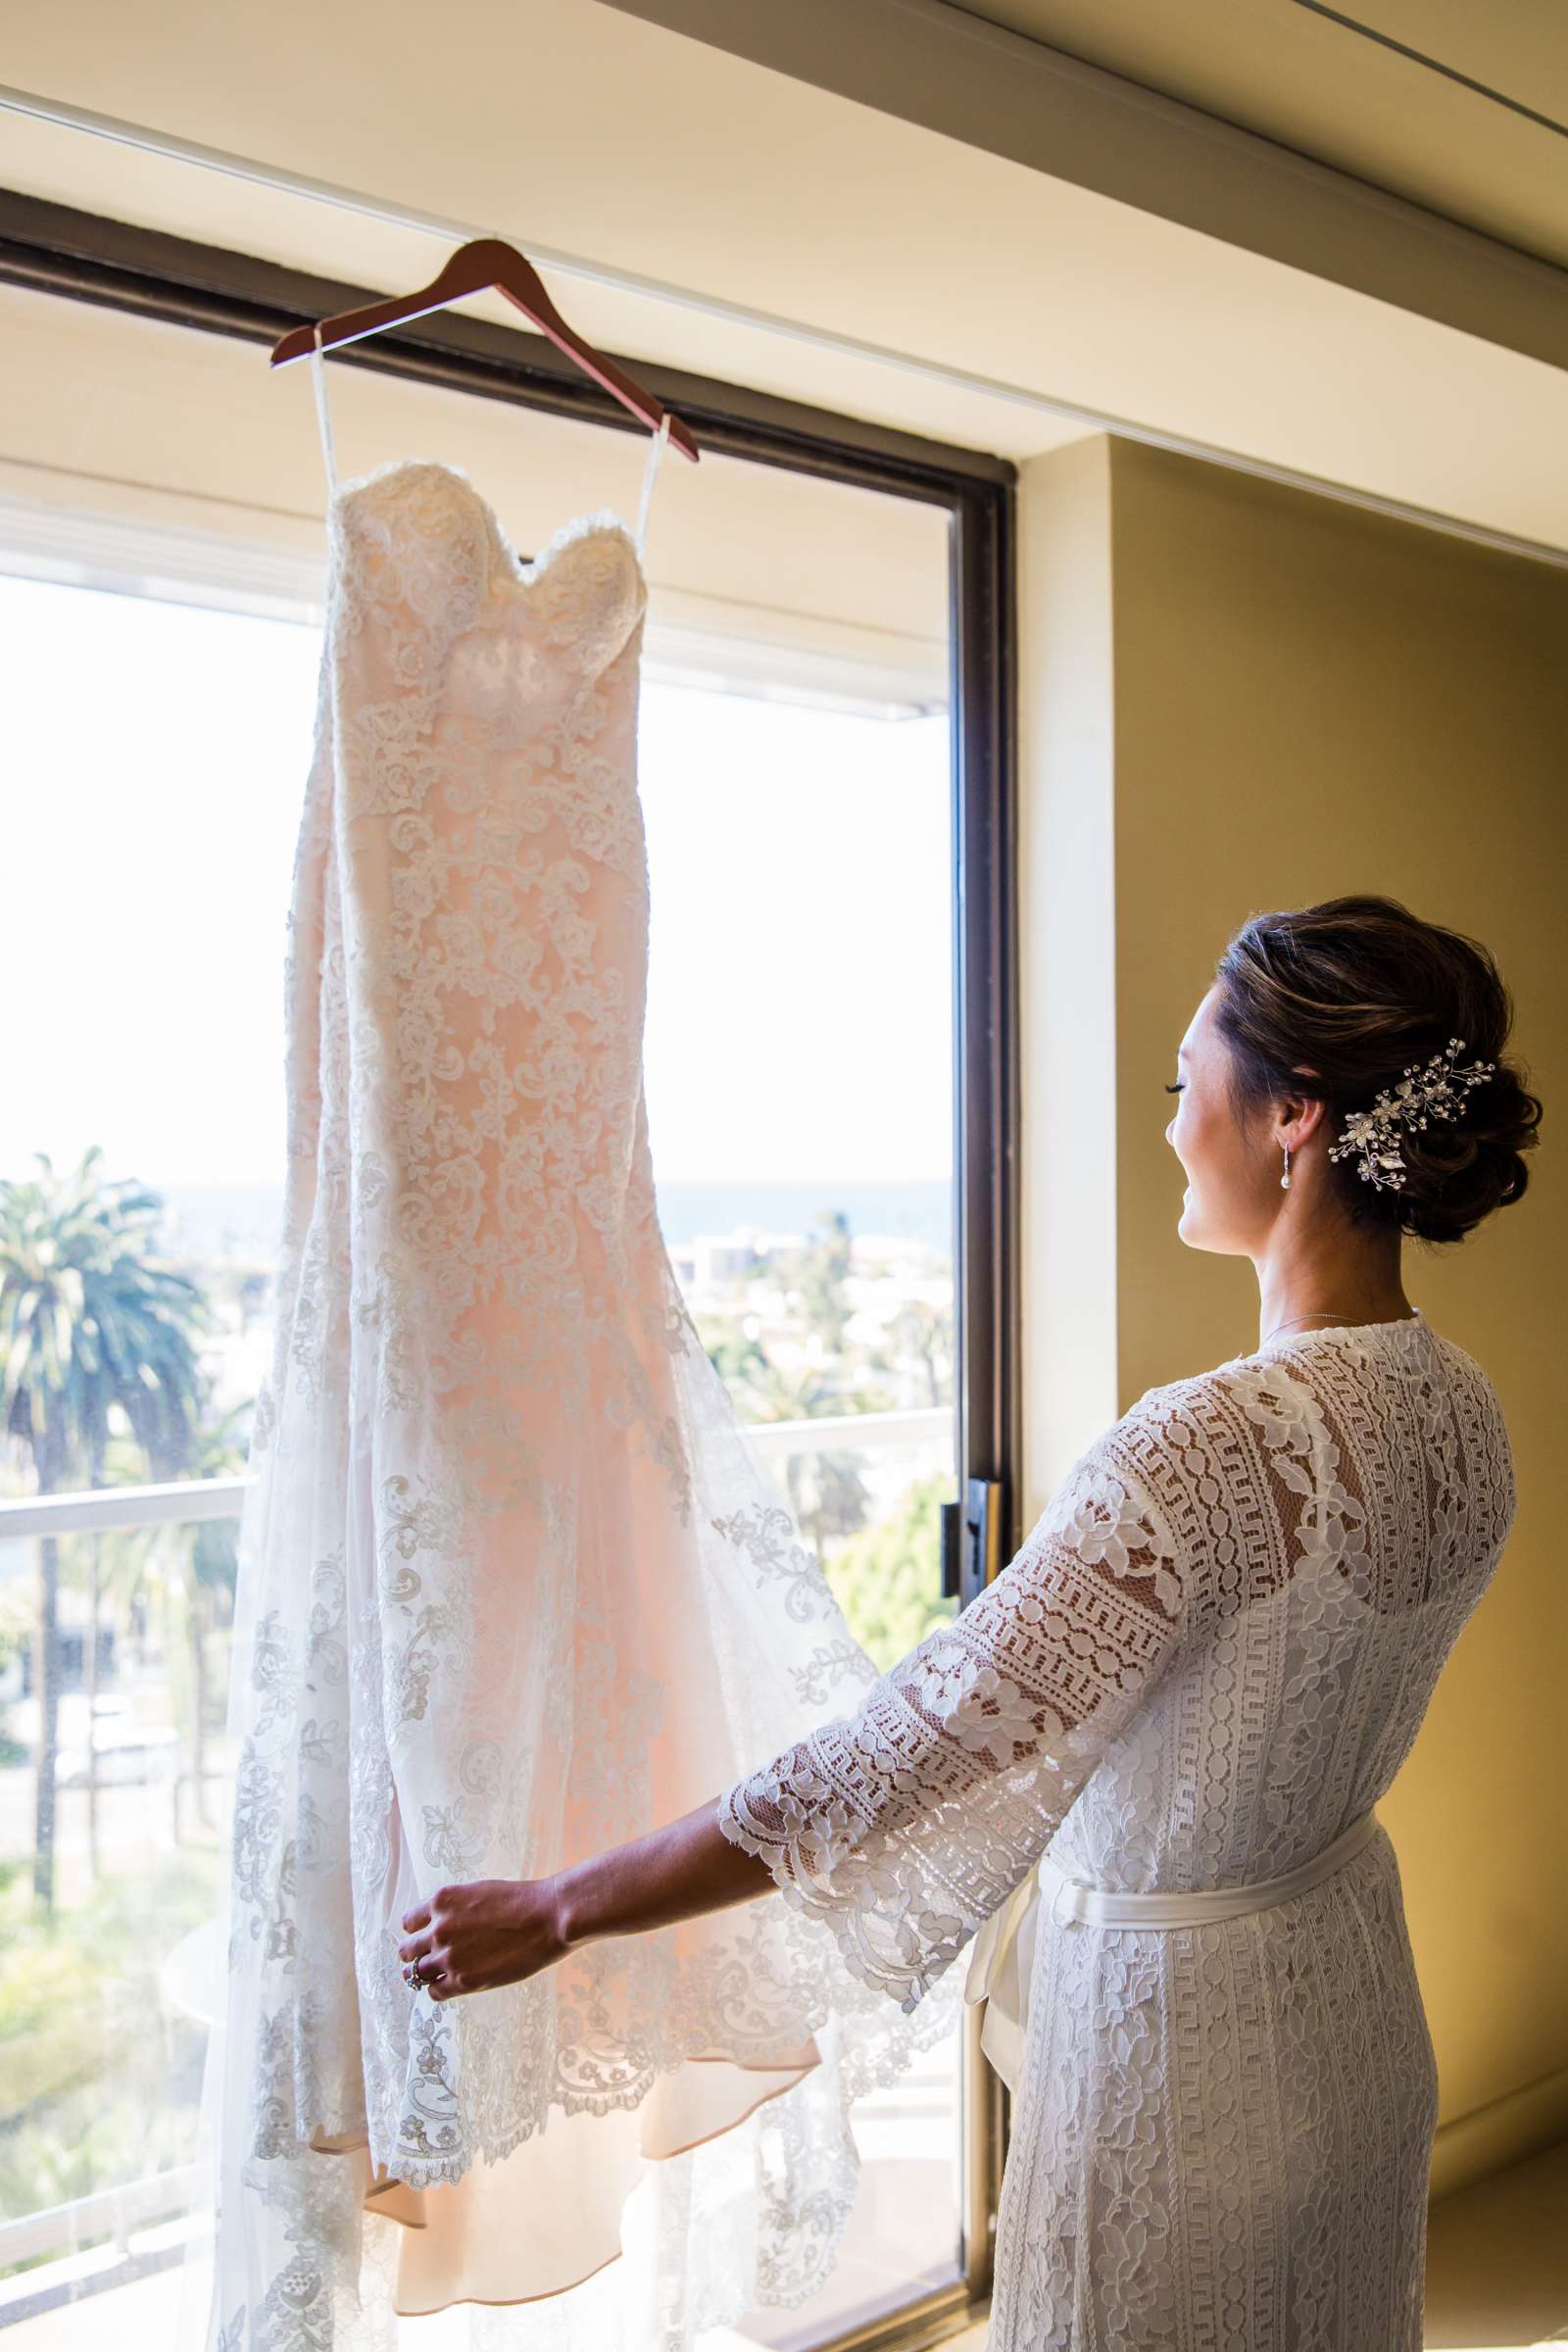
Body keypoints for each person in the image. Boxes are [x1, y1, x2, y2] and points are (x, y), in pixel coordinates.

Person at [396, 893, 1540, 2350]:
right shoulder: (1464, 1414)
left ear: (1293, 1116)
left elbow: (905, 1752)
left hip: (1182, 2067)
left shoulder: (1205, 1449)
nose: (1174, 1119)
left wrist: (563, 1907)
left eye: (1189, 1082)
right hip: (1354, 2012)